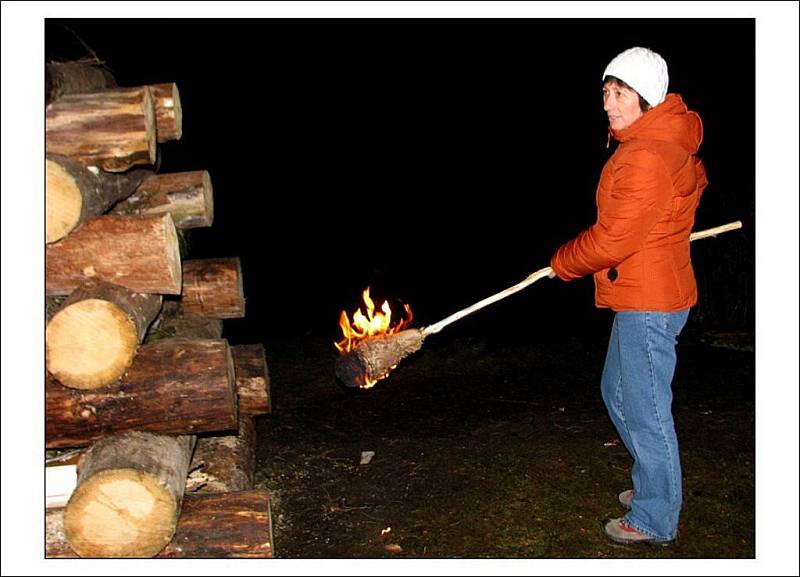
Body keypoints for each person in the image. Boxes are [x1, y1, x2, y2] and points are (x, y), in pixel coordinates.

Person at [549, 46, 708, 545]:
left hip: (650, 302)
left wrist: (563, 263)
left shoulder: (645, 155)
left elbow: (614, 238)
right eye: (605, 92)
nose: (608, 103)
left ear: (647, 98)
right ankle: (653, 481)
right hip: (648, 290)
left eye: (620, 94)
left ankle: (656, 516)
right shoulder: (659, 143)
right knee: (617, 392)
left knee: (646, 410)